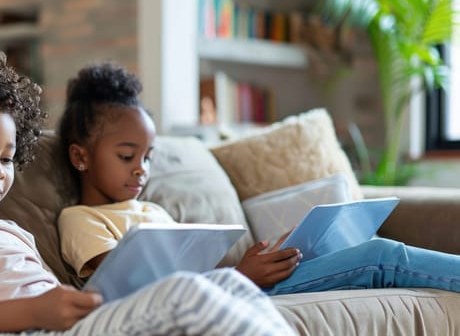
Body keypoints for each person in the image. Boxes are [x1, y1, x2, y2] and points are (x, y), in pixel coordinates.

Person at [0, 49, 296, 335]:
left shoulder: (13, 230)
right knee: (188, 292)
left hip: (68, 326)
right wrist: (34, 312)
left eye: (8, 158)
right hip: (33, 328)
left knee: (230, 285)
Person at [57, 62, 460, 296]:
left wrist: (267, 258)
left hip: (238, 284)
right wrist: (240, 275)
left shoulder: (152, 210)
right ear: (80, 156)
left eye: (147, 156)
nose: (141, 168)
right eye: (127, 156)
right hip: (234, 292)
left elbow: (195, 270)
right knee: (381, 257)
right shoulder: (80, 219)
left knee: (368, 248)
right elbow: (132, 290)